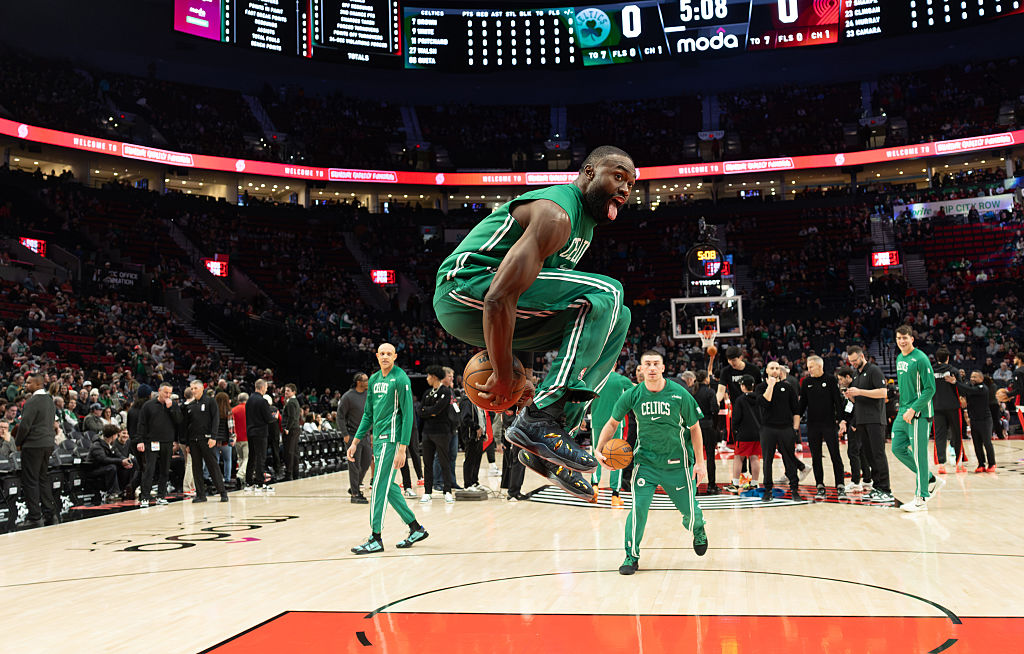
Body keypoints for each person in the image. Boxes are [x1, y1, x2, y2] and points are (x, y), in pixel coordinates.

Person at [433, 146, 636, 500]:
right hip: (464, 287)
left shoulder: (584, 227)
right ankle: (541, 417)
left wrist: (523, 376)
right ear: (588, 172)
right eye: (618, 176)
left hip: (501, 304)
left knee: (619, 315)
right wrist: (501, 369)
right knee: (608, 291)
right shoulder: (557, 213)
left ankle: (551, 435)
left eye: (631, 184)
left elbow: (530, 294)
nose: (624, 189)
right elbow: (500, 296)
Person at [594, 351, 708, 575]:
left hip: (678, 464)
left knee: (690, 511)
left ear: (663, 368)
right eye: (648, 364)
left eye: (656, 364)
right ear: (642, 369)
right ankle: (631, 555)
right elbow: (611, 423)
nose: (652, 368)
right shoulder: (633, 394)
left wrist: (700, 462)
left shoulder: (679, 394)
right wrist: (598, 449)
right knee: (638, 509)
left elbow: (695, 428)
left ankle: (698, 528)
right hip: (646, 463)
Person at [346, 343, 428, 554]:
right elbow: (368, 415)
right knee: (388, 486)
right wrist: (355, 442)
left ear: (395, 356)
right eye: (381, 353)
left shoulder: (401, 379)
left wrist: (403, 448)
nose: (385, 356)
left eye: (389, 354)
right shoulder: (373, 380)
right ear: (377, 356)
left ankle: (376, 538)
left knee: (378, 487)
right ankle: (415, 527)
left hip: (392, 440)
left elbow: (408, 414)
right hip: (378, 441)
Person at [892, 326, 942, 512]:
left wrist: (913, 409)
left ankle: (921, 497)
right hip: (903, 410)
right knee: (897, 448)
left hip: (919, 413)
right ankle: (929, 478)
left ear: (912, 339)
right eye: (898, 338)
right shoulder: (899, 358)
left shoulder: (921, 359)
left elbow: (930, 389)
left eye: (905, 338)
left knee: (919, 454)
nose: (902, 341)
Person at [844, 345, 893, 504]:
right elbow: (859, 399)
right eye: (850, 362)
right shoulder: (856, 374)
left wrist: (859, 392)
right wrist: (851, 396)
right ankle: (877, 486)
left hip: (875, 419)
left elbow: (883, 392)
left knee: (878, 454)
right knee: (869, 455)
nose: (853, 364)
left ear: (861, 356)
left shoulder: (874, 370)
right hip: (862, 420)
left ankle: (885, 488)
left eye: (855, 360)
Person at [798, 355, 847, 501]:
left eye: (811, 366)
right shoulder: (806, 382)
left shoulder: (831, 380)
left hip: (829, 424)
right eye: (808, 366)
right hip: (813, 425)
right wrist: (795, 419)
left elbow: (838, 402)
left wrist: (842, 420)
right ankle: (819, 485)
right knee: (816, 457)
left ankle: (840, 485)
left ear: (820, 366)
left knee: (835, 455)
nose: (809, 369)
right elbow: (802, 405)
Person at [14, 372, 58, 527]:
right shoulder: (50, 400)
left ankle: (34, 517)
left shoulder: (32, 402)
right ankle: (50, 514)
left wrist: (17, 442)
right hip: (47, 443)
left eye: (29, 383)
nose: (26, 385)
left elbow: (24, 426)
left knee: (31, 481)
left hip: (33, 444)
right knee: (43, 478)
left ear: (38, 384)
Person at [757, 361, 804, 501]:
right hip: (767, 428)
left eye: (777, 368)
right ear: (766, 371)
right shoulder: (760, 387)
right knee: (767, 460)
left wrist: (794, 430)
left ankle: (794, 489)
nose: (775, 370)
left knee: (789, 459)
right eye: (772, 368)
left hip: (786, 429)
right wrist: (771, 385)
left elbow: (796, 410)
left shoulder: (788, 387)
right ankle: (768, 490)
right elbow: (765, 402)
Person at [589, 371, 634, 506]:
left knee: (595, 454)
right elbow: (635, 394)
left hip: (596, 420)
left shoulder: (595, 378)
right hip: (615, 423)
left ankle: (594, 487)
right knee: (618, 455)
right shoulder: (621, 380)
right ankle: (615, 495)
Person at [136, 382, 182, 507]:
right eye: (166, 392)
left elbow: (179, 421)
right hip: (152, 442)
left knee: (165, 470)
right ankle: (144, 497)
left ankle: (161, 496)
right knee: (149, 469)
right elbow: (141, 424)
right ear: (159, 391)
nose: (168, 395)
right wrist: (140, 440)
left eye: (170, 393)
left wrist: (171, 408)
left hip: (167, 442)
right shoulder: (148, 405)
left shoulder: (174, 405)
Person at [183, 380, 228, 503]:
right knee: (196, 468)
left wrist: (213, 437)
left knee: (213, 466)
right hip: (193, 441)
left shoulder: (210, 401)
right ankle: (201, 495)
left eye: (195, 388)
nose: (193, 391)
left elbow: (215, 419)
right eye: (191, 389)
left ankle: (222, 492)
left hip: (207, 439)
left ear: (202, 388)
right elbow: (187, 426)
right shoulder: (190, 406)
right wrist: (187, 443)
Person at [418, 365, 456, 504]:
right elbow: (420, 411)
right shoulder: (427, 393)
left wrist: (429, 411)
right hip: (427, 432)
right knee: (427, 463)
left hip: (442, 432)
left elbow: (438, 409)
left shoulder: (446, 392)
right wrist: (430, 411)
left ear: (434, 377)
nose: (427, 379)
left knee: (444, 461)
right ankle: (428, 492)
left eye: (428, 376)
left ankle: (447, 491)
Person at [953, 371, 997, 473]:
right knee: (977, 444)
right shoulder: (971, 387)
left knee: (987, 443)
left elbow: (968, 389)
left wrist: (956, 382)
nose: (972, 378)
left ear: (981, 379)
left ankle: (992, 464)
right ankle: (981, 464)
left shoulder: (983, 388)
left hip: (985, 420)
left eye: (975, 377)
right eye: (972, 376)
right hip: (974, 420)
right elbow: (964, 391)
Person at [931, 347, 965, 473]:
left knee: (939, 436)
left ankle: (941, 465)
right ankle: (958, 464)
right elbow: (961, 389)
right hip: (953, 407)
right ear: (948, 358)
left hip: (937, 407)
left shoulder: (930, 371)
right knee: (957, 434)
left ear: (936, 358)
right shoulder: (953, 371)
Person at [339, 373, 370, 504]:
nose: (368, 382)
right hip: (352, 436)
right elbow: (340, 416)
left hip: (366, 436)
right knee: (354, 465)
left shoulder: (368, 395)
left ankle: (355, 486)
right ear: (358, 382)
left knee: (366, 462)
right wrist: (345, 435)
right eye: (365, 380)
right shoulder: (348, 397)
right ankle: (355, 494)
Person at [727, 375, 761, 493]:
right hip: (758, 433)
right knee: (755, 457)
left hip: (744, 434)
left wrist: (734, 432)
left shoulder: (740, 400)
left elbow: (735, 419)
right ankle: (755, 483)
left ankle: (735, 484)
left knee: (738, 458)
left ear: (742, 386)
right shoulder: (759, 398)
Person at [245, 380, 277, 493]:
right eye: (266, 387)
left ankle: (249, 482)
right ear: (262, 387)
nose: (267, 389)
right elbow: (268, 418)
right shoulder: (262, 401)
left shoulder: (249, 400)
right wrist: (275, 417)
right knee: (261, 457)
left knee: (252, 457)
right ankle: (260, 483)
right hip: (260, 433)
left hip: (250, 432)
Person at [692, 370, 720, 494]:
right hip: (708, 426)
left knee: (693, 458)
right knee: (710, 457)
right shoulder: (710, 392)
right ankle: (711, 485)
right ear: (706, 379)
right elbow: (715, 409)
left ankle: (694, 487)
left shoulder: (691, 391)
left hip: (693, 427)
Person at [89, 424, 132, 502]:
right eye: (116, 435)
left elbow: (118, 454)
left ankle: (125, 489)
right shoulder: (97, 445)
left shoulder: (110, 445)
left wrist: (126, 461)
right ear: (112, 436)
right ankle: (112, 493)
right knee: (112, 467)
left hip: (104, 467)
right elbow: (103, 459)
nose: (116, 437)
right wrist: (120, 461)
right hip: (94, 470)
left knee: (124, 466)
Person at [282, 383, 302, 481]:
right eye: (285, 390)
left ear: (294, 392)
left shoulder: (291, 402)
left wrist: (287, 428)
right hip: (295, 429)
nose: (286, 392)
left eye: (288, 390)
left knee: (289, 452)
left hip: (291, 429)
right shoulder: (294, 401)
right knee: (294, 452)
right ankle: (295, 473)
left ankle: (288, 474)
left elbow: (292, 417)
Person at [232, 392, 249, 489]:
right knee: (247, 458)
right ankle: (240, 474)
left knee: (241, 458)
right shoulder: (250, 409)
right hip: (247, 437)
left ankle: (242, 477)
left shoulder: (233, 410)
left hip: (237, 438)